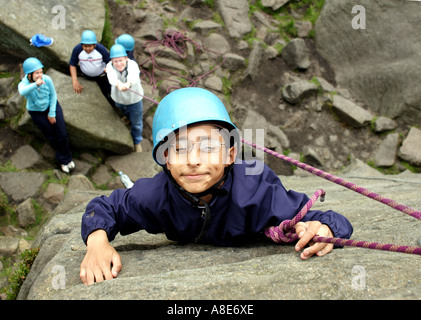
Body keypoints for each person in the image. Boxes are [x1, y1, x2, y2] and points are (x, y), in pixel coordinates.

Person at [79, 87, 353, 285]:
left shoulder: (256, 191)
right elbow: (106, 207)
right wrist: (97, 243)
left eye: (209, 147)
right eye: (179, 149)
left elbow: (320, 218)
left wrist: (324, 228)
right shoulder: (155, 195)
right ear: (166, 160)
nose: (194, 161)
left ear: (230, 156)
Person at [18, 58, 75, 173]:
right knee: (52, 136)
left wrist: (52, 113)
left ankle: (66, 158)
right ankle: (63, 160)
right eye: (36, 73)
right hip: (36, 112)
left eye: (41, 72)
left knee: (62, 134)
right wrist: (35, 84)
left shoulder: (47, 79)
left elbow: (53, 95)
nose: (40, 75)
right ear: (29, 75)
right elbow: (22, 91)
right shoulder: (24, 84)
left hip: (51, 107)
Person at [106, 44, 144, 152]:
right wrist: (118, 84)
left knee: (136, 123)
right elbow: (111, 77)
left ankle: (137, 141)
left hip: (134, 99)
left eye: (120, 60)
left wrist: (128, 84)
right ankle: (127, 118)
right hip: (119, 99)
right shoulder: (109, 66)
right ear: (112, 61)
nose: (118, 63)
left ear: (126, 58)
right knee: (123, 110)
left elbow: (134, 76)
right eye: (115, 61)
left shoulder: (133, 65)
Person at [69, 30, 114, 106]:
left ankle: (114, 106)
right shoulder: (77, 50)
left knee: (109, 92)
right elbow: (72, 64)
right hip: (86, 76)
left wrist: (109, 70)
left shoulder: (101, 49)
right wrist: (75, 81)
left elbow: (110, 62)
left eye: (90, 46)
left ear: (95, 45)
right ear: (82, 44)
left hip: (102, 76)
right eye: (85, 46)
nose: (87, 49)